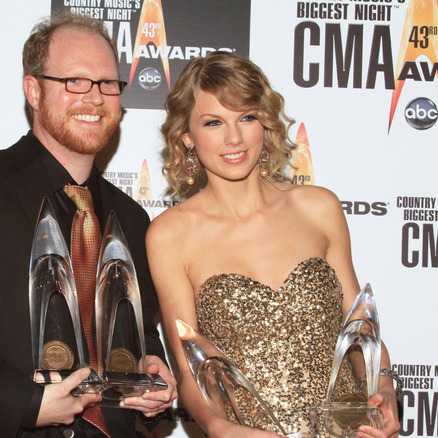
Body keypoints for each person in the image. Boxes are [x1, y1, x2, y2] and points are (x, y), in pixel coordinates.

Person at [0, 12, 177, 438]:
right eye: (74, 81)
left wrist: (151, 372)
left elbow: (136, 332)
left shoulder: (131, 218)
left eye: (107, 83)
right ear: (34, 91)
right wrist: (20, 401)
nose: (94, 97)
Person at [146, 51, 400, 438]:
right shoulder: (170, 235)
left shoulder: (319, 208)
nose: (234, 137)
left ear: (264, 123)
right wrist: (220, 428)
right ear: (187, 136)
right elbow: (189, 370)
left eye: (246, 117)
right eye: (213, 122)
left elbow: (361, 332)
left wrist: (384, 389)